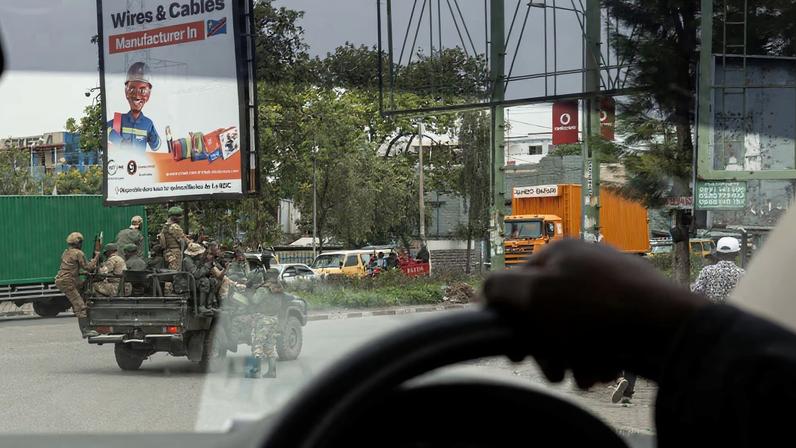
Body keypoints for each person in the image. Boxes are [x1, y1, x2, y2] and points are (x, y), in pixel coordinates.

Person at [482, 238, 796, 447]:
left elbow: (698, 293)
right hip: (718, 340)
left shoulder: (710, 271)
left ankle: (626, 381)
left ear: (717, 252)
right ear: (736, 252)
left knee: (626, 356)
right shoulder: (742, 273)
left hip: (706, 342)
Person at [107, 61, 161, 152]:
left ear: (148, 95)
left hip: (141, 165)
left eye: (142, 91)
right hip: (122, 164)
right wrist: (120, 142)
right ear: (126, 92)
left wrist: (153, 137)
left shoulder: (148, 123)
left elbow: (156, 147)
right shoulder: (118, 119)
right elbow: (104, 130)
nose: (137, 96)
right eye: (132, 89)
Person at [55, 232, 100, 338]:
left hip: (65, 280)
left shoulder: (66, 252)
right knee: (80, 305)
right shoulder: (78, 253)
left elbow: (71, 268)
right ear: (79, 243)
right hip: (68, 281)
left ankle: (89, 324)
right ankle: (85, 331)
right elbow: (88, 267)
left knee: (84, 295)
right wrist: (97, 257)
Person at [691, 236, 745, 304]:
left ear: (717, 253)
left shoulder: (706, 271)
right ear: (737, 254)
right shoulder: (742, 274)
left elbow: (696, 294)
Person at [182, 242, 216, 315]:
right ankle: (201, 306)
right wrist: (206, 266)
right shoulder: (187, 260)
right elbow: (196, 274)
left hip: (194, 280)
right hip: (188, 282)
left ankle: (209, 305)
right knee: (205, 281)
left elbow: (201, 270)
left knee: (213, 281)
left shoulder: (196, 260)